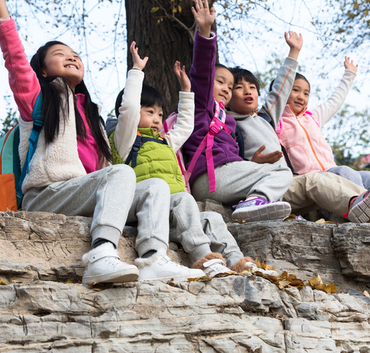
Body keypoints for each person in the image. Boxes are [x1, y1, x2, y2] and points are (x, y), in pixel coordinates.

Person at [0, 0, 200, 286]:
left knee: (155, 186)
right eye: (59, 54)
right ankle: (102, 253)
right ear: (43, 70)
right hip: (47, 194)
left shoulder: (91, 114)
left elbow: (118, 145)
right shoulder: (40, 98)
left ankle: (153, 258)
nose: (71, 56)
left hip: (82, 193)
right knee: (121, 173)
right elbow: (15, 58)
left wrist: (136, 74)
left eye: (75, 54)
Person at [106, 42, 271, 276]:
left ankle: (238, 262)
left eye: (160, 114)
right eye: (150, 112)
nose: (157, 118)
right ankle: (204, 258)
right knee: (184, 200)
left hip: (173, 214)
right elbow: (129, 110)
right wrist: (136, 72)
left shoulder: (165, 142)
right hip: (145, 209)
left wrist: (186, 90)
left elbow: (185, 125)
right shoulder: (125, 142)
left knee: (211, 218)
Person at [227, 31, 370, 224]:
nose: (300, 96)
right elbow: (279, 91)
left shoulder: (311, 118)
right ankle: (369, 214)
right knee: (346, 172)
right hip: (310, 177)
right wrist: (294, 53)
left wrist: (349, 75)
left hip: (331, 171)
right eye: (295, 90)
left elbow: (334, 102)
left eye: (305, 92)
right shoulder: (275, 121)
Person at [182, 0, 293, 222]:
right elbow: (202, 73)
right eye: (220, 82)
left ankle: (258, 204)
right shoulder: (202, 107)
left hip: (227, 175)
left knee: (280, 173)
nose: (226, 88)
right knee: (282, 172)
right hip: (211, 177)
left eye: (230, 86)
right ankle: (256, 200)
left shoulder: (227, 122)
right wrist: (205, 32)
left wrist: (252, 164)